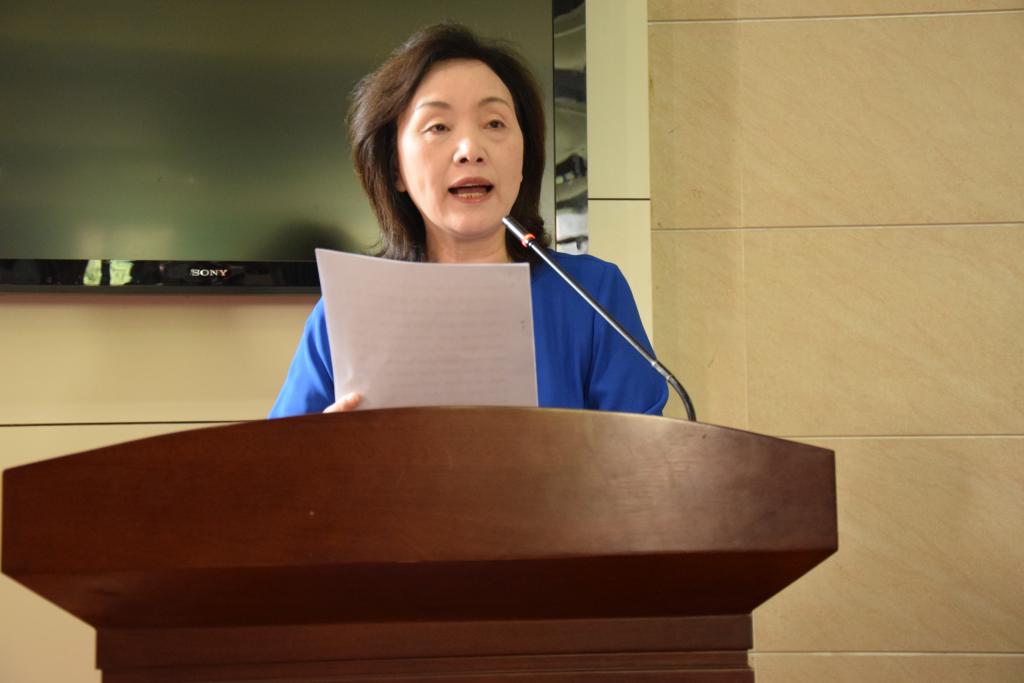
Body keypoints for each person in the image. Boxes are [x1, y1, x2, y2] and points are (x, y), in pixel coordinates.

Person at [269, 23, 667, 418]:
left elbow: (647, 453)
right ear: (395, 169)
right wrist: (327, 448)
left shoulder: (592, 295)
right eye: (438, 127)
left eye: (494, 123)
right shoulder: (345, 314)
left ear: (525, 157)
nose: (470, 150)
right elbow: (275, 457)